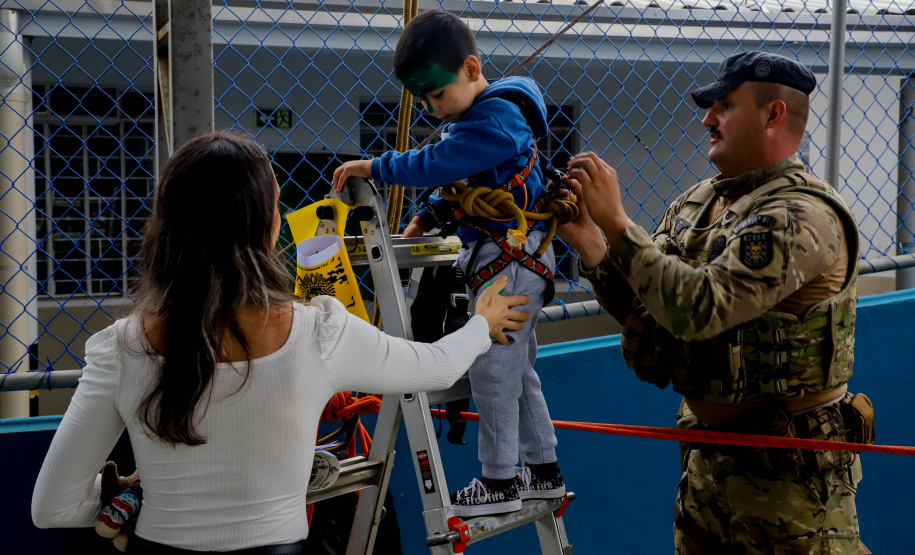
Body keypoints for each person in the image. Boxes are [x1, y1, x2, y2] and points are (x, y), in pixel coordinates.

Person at [30, 130, 532, 553]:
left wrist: (128, 498)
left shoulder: (120, 348)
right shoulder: (319, 332)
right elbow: (437, 367)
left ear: (166, 227)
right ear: (269, 227)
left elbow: (53, 508)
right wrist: (480, 326)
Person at [558, 51, 873, 553]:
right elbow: (653, 307)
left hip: (787, 489)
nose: (707, 118)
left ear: (773, 115)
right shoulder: (699, 202)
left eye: (725, 105)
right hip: (708, 466)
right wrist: (590, 240)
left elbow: (697, 309)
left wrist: (617, 223)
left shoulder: (800, 216)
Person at [331, 9, 566, 517]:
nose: (435, 109)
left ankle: (500, 482)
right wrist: (418, 224)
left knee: (493, 372)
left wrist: (377, 167)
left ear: (472, 69)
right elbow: (456, 191)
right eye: (426, 100)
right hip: (513, 260)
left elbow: (439, 164)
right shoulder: (473, 125)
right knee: (517, 372)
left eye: (439, 94)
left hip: (511, 263)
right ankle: (543, 471)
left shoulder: (496, 120)